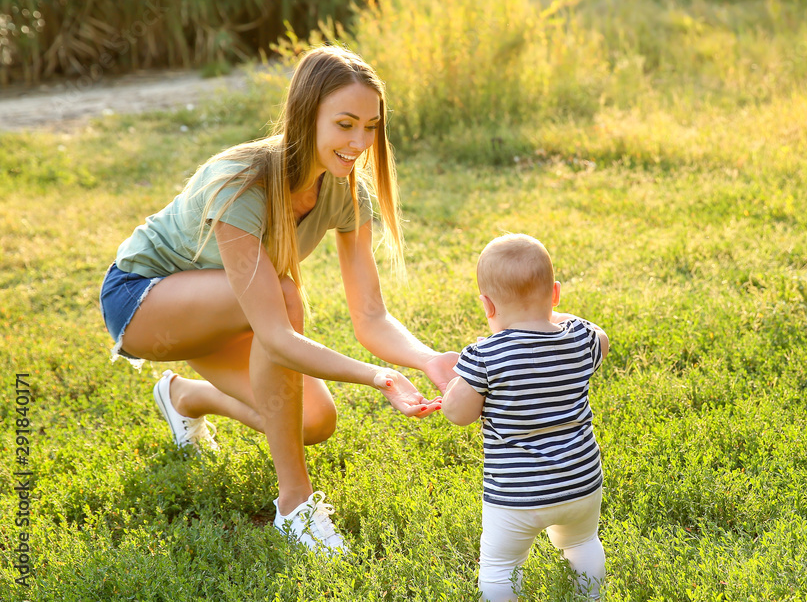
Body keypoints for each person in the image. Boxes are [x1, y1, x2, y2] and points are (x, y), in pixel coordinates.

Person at [99, 45, 459, 556]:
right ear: (305, 115)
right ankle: (295, 505)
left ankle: (185, 397)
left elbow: (371, 315)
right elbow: (276, 335)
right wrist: (379, 376)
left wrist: (427, 360)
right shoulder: (242, 183)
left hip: (228, 307)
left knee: (313, 422)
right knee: (287, 298)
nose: (360, 142)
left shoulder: (343, 191)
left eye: (371, 126)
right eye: (345, 124)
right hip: (143, 301)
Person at [441, 233, 610, 601]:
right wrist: (552, 314)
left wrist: (452, 388)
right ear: (556, 294)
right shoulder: (581, 338)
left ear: (487, 305)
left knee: (501, 567)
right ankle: (590, 595)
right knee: (583, 542)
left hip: (516, 495)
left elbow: (458, 414)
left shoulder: (484, 356)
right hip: (580, 482)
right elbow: (602, 337)